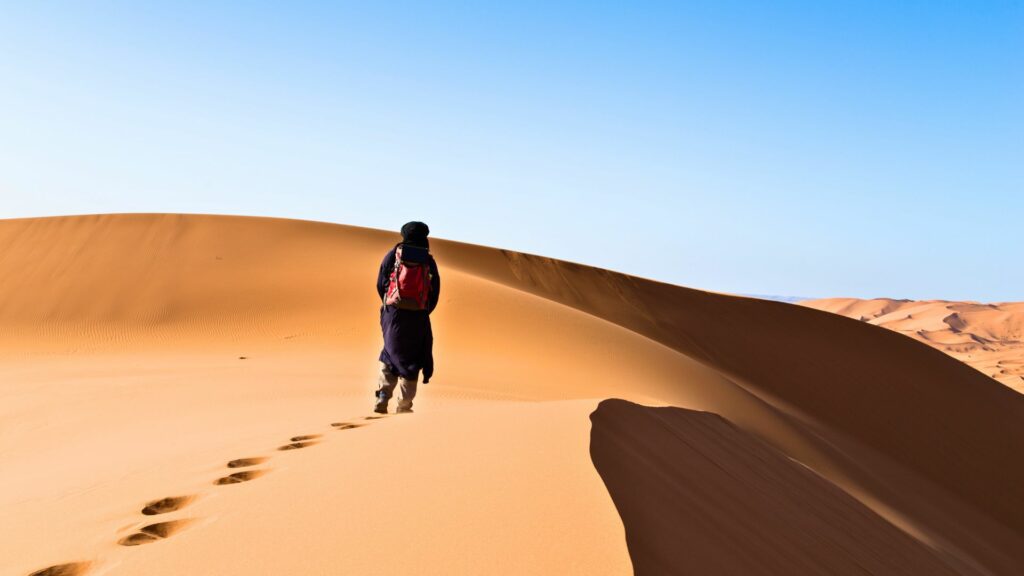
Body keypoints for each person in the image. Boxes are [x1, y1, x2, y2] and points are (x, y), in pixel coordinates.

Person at [374, 221, 441, 414]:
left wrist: (389, 304)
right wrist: (423, 310)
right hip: (418, 315)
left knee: (389, 352)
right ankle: (404, 406)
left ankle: (383, 396)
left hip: (393, 314)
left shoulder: (394, 254)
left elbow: (380, 282)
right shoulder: (428, 261)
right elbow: (435, 290)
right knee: (412, 360)